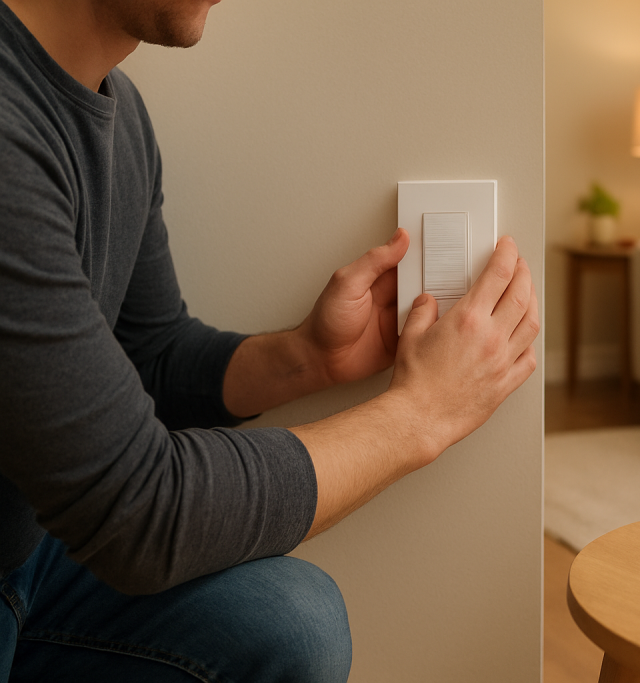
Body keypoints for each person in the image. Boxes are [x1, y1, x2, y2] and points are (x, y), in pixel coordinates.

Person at [0, 0, 540, 680]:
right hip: (59, 543)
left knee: (293, 619)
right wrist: (421, 415)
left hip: (30, 546)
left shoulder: (122, 116)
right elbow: (138, 510)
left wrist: (308, 356)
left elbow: (152, 357)